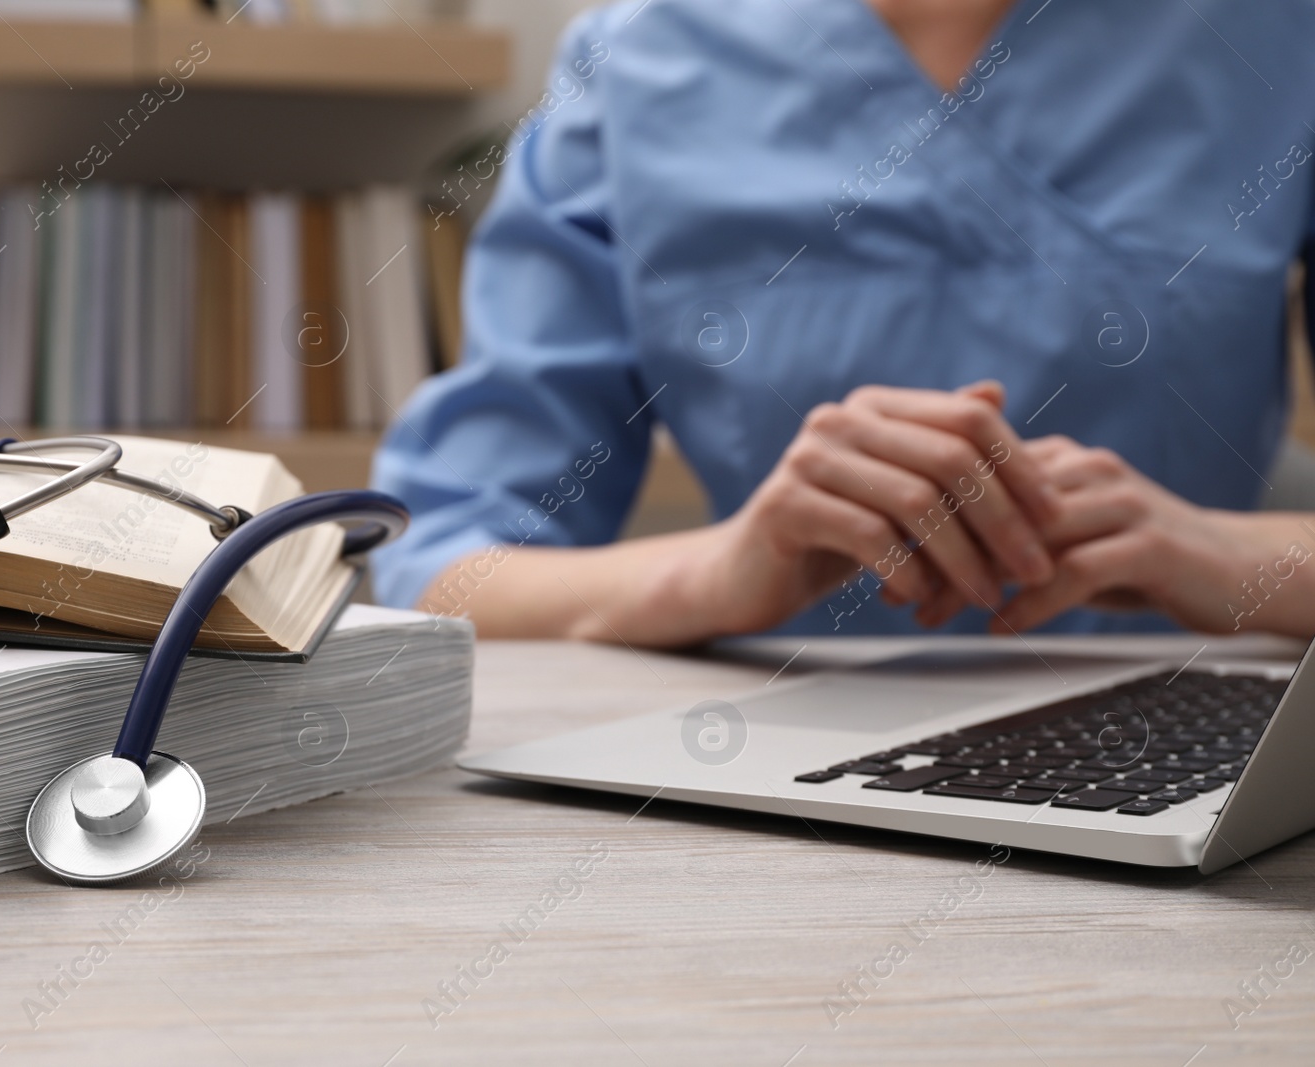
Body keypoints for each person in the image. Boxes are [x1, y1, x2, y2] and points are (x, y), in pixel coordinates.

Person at [369, 0, 1315, 646]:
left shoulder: (1278, 39)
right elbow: (439, 568)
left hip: (1188, 772)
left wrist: (1238, 560)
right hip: (758, 786)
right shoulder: (644, 57)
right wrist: (719, 573)